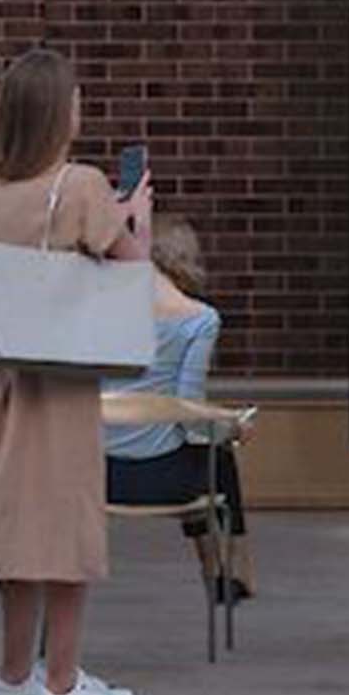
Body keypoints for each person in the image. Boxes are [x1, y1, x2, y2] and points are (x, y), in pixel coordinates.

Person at [0, 43, 150, 695]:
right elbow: (129, 261)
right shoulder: (82, 184)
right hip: (62, 378)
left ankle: (13, 672)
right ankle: (62, 681)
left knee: (16, 526)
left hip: (5, 376)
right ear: (58, 110)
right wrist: (136, 212)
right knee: (65, 526)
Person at [105, 214, 247, 596]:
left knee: (203, 445)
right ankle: (225, 569)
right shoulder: (199, 320)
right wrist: (231, 427)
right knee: (218, 449)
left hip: (96, 477)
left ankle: (222, 570)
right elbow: (190, 416)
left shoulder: (100, 311)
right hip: (165, 481)